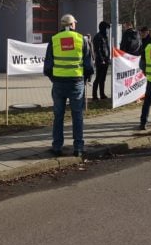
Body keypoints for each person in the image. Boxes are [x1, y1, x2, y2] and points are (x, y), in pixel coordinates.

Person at [43, 14, 94, 157]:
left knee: (58, 115)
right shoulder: (82, 40)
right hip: (76, 83)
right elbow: (89, 66)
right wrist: (85, 79)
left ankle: (57, 146)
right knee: (77, 116)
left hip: (59, 83)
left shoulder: (54, 40)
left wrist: (55, 79)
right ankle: (78, 148)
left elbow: (47, 67)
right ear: (72, 25)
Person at [92, 21, 111, 100]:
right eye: (106, 28)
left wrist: (108, 58)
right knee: (98, 78)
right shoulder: (98, 36)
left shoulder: (105, 36)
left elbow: (107, 48)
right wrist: (102, 59)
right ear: (103, 28)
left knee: (103, 78)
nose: (107, 30)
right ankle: (95, 95)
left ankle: (102, 94)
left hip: (106, 60)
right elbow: (97, 50)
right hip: (100, 61)